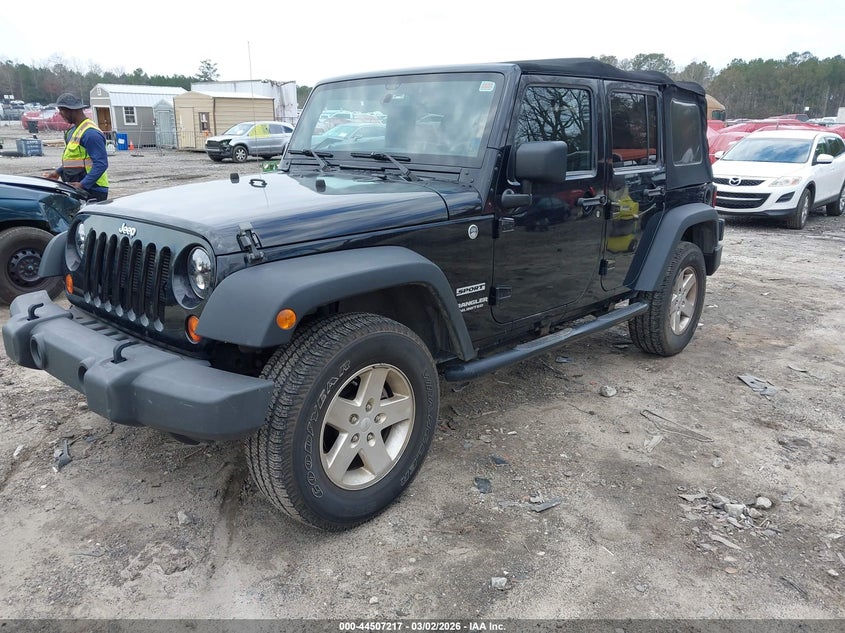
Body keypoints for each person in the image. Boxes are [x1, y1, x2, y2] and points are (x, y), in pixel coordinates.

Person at [42, 92, 109, 201]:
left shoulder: (90, 134)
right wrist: (57, 172)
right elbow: (74, 160)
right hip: (77, 187)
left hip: (93, 189)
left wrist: (83, 184)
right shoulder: (73, 131)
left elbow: (101, 164)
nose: (60, 114)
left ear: (73, 110)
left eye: (62, 110)